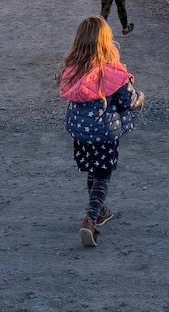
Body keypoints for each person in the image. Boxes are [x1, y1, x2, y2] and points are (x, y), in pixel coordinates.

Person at [61, 16, 145, 248]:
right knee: (103, 174)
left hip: (81, 133)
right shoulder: (112, 73)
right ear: (107, 42)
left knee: (93, 170)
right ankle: (90, 220)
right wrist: (140, 100)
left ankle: (100, 211)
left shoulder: (72, 71)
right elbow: (128, 100)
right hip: (105, 132)